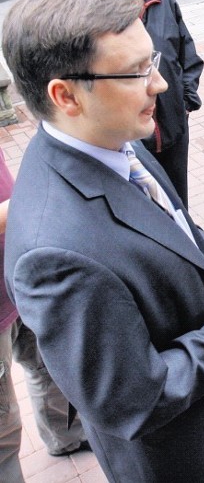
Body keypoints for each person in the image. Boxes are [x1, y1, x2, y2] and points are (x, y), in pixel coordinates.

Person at [2, 0, 204, 483]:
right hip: (168, 459)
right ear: (66, 96)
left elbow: (165, 219)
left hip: (199, 423)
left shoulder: (109, 134)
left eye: (152, 61)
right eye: (134, 72)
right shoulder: (53, 254)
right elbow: (131, 401)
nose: (160, 84)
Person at [84, 0, 203, 208]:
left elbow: (187, 55)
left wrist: (184, 104)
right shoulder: (80, 15)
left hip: (173, 135)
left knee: (179, 210)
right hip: (125, 146)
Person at [0, 147, 89, 483]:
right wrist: (32, 199)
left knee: (48, 366)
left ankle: (65, 437)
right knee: (3, 424)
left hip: (19, 280)